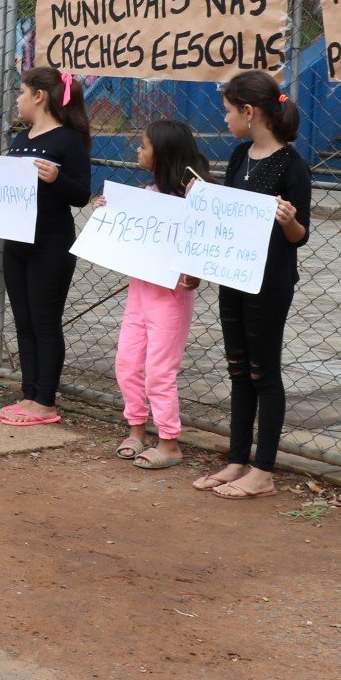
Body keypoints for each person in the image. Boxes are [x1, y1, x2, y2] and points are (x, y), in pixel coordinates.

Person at [194, 72, 312, 502]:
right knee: (239, 369)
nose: (224, 118)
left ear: (249, 111)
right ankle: (237, 459)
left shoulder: (293, 165)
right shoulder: (242, 154)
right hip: (233, 274)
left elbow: (301, 235)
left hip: (269, 281)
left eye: (228, 110)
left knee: (264, 373)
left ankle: (263, 470)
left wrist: (289, 221)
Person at [0, 66, 92, 427]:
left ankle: (46, 401)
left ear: (39, 96)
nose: (16, 99)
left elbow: (82, 193)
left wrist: (57, 178)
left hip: (50, 242)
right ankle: (29, 394)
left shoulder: (68, 140)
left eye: (20, 92)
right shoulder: (22, 139)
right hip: (16, 241)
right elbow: (6, 185)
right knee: (24, 322)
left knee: (45, 322)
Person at [101, 119, 209, 471]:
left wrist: (196, 271)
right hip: (140, 294)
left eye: (144, 146)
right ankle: (136, 429)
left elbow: (206, 242)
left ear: (162, 154)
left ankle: (169, 441)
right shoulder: (148, 195)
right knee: (127, 363)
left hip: (171, 298)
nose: (138, 150)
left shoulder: (195, 197)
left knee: (159, 370)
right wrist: (109, 213)